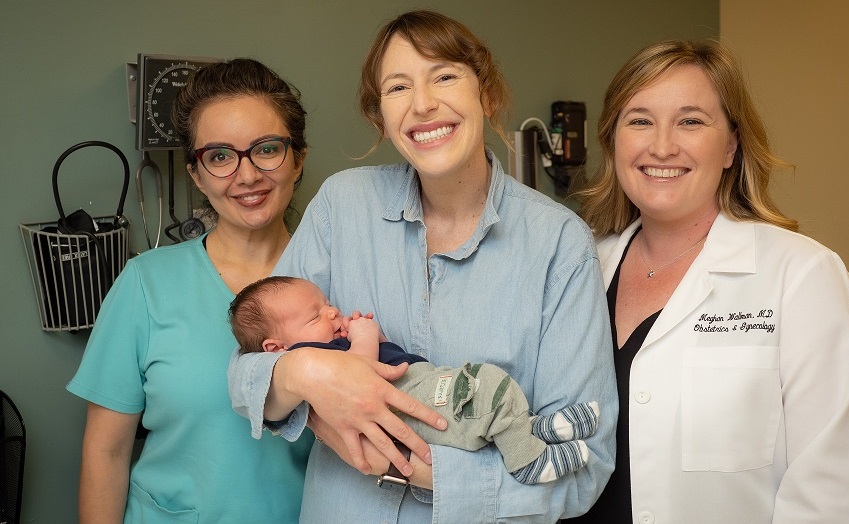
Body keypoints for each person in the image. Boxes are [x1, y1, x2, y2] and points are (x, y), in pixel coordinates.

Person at [228, 10, 617, 523]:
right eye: (397, 87)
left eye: (446, 76)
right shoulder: (342, 207)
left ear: (488, 94)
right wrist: (307, 369)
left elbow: (584, 469)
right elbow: (247, 373)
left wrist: (415, 467)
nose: (423, 104)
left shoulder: (558, 243)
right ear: (380, 117)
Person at [567, 39, 849, 523]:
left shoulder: (802, 278)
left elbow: (830, 493)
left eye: (691, 121)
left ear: (731, 145)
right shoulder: (577, 268)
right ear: (612, 141)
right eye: (640, 120)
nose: (662, 145)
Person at [66, 58, 315, 522]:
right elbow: (107, 453)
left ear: (297, 158)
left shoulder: (338, 283)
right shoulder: (145, 284)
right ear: (196, 174)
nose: (246, 175)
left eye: (266, 149)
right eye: (219, 156)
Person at [230, 275, 602, 484]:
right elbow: (357, 377)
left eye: (328, 303)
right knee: (488, 387)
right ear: (276, 348)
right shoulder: (308, 354)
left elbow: (391, 360)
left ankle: (539, 429)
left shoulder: (327, 343)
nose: (332, 311)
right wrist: (362, 337)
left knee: (484, 406)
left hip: (422, 385)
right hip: (413, 409)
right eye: (316, 315)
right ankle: (527, 461)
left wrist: (377, 338)